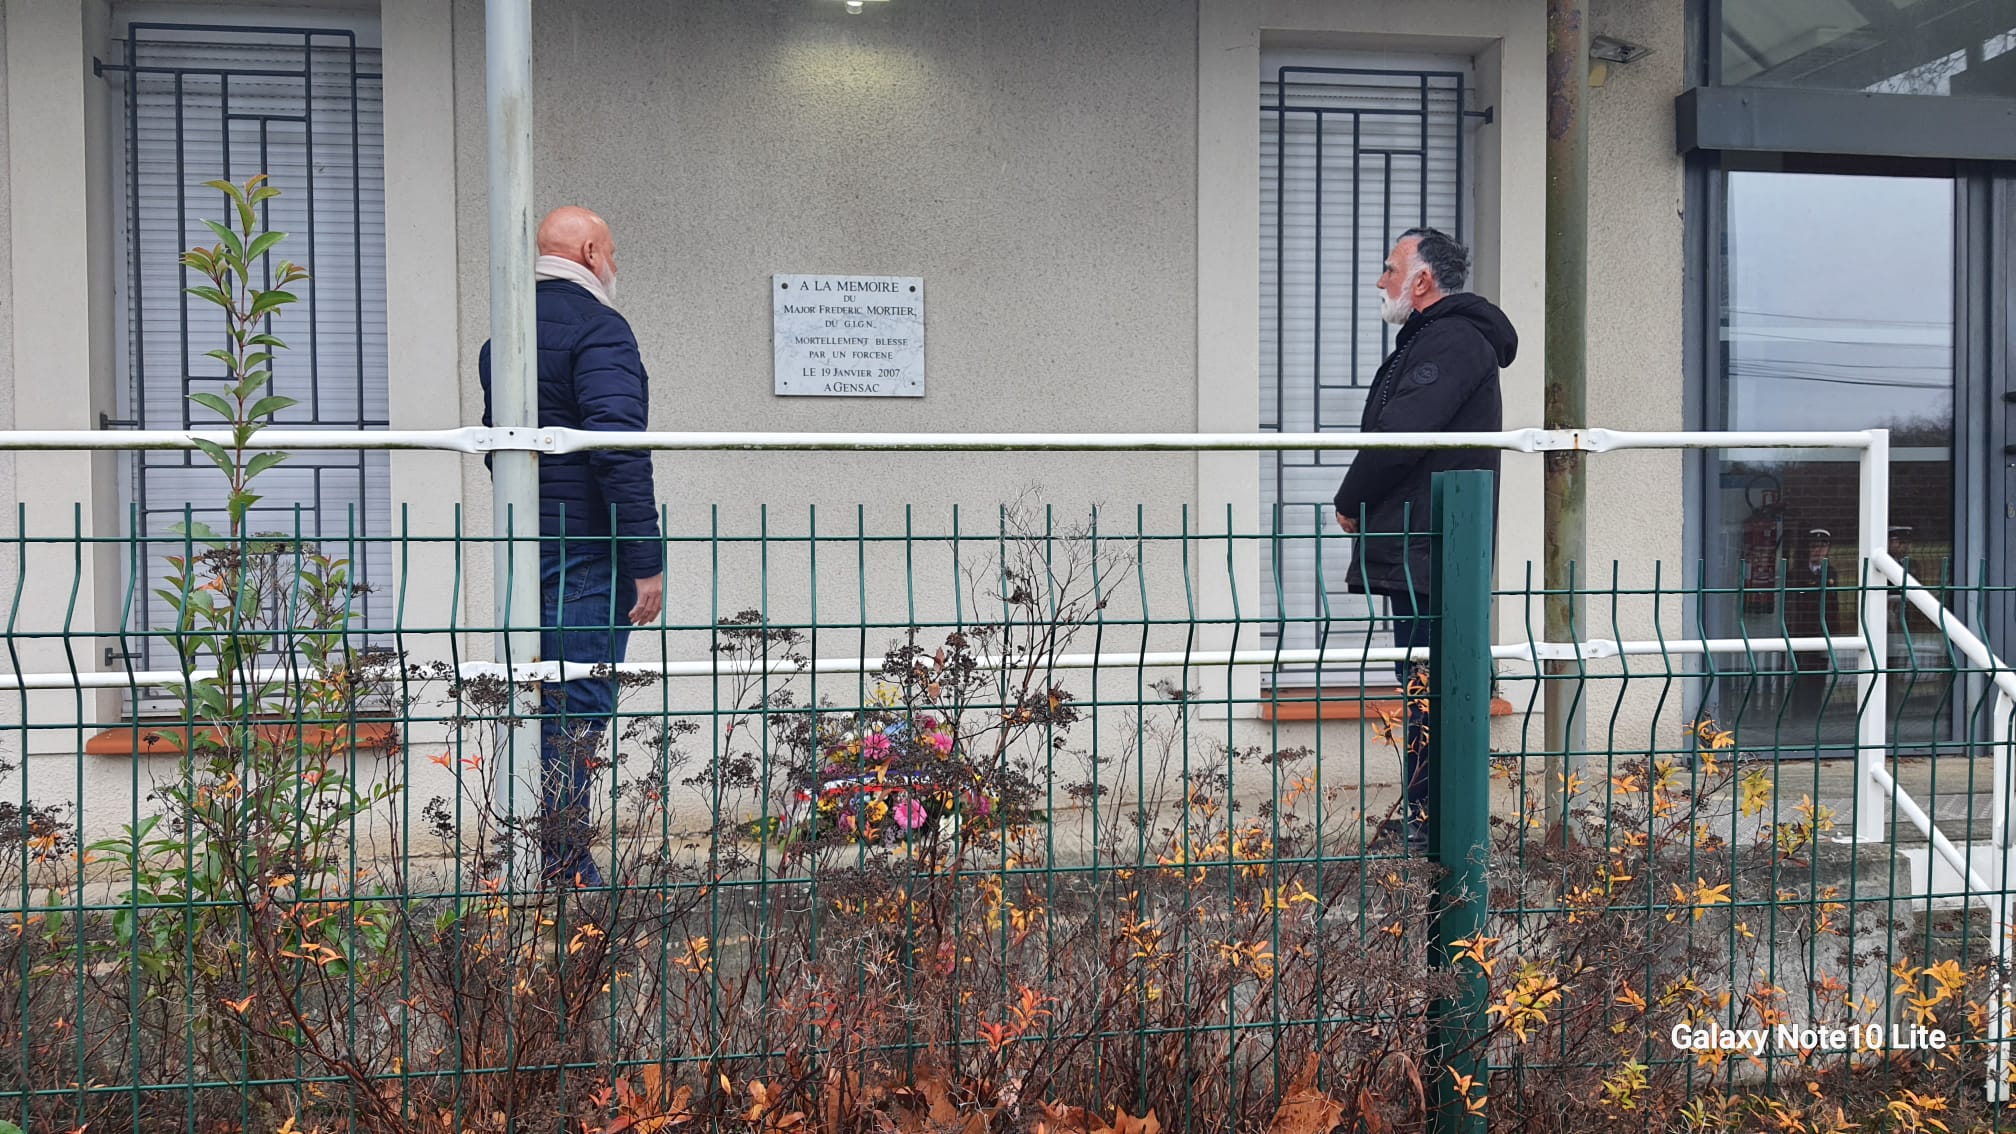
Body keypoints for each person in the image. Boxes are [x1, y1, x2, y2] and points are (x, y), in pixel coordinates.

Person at [479, 205, 665, 887]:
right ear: (590, 252)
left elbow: (496, 446)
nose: (614, 266)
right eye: (611, 252)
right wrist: (645, 559)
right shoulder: (600, 328)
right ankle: (564, 866)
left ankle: (535, 853)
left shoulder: (504, 336)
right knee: (580, 700)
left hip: (530, 539)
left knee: (536, 696)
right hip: (590, 541)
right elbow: (617, 448)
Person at [1331, 227, 1516, 852]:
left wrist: (1351, 500)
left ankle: (1434, 823)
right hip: (1428, 544)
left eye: (1390, 269)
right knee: (1425, 679)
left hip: (1431, 547)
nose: (1380, 281)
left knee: (1430, 682)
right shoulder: (1438, 338)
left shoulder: (1452, 340)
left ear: (1422, 281)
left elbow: (1402, 433)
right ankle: (1427, 816)